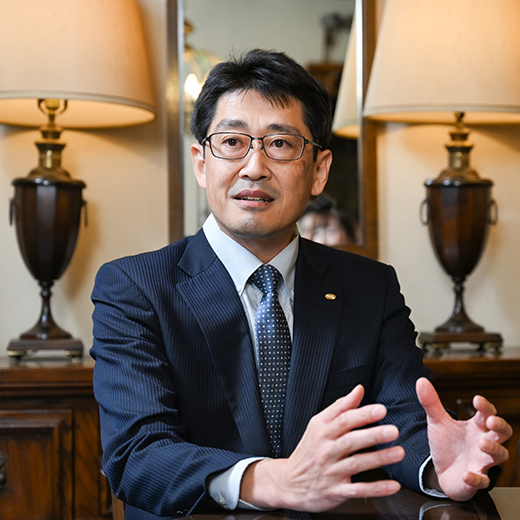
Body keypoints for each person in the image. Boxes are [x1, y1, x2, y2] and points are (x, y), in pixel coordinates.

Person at [90, 49, 512, 520]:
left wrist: (438, 467)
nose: (254, 167)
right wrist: (275, 480)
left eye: (280, 144)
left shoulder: (370, 288)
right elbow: (138, 454)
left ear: (319, 170)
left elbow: (402, 421)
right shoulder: (135, 287)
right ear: (201, 163)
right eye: (232, 142)